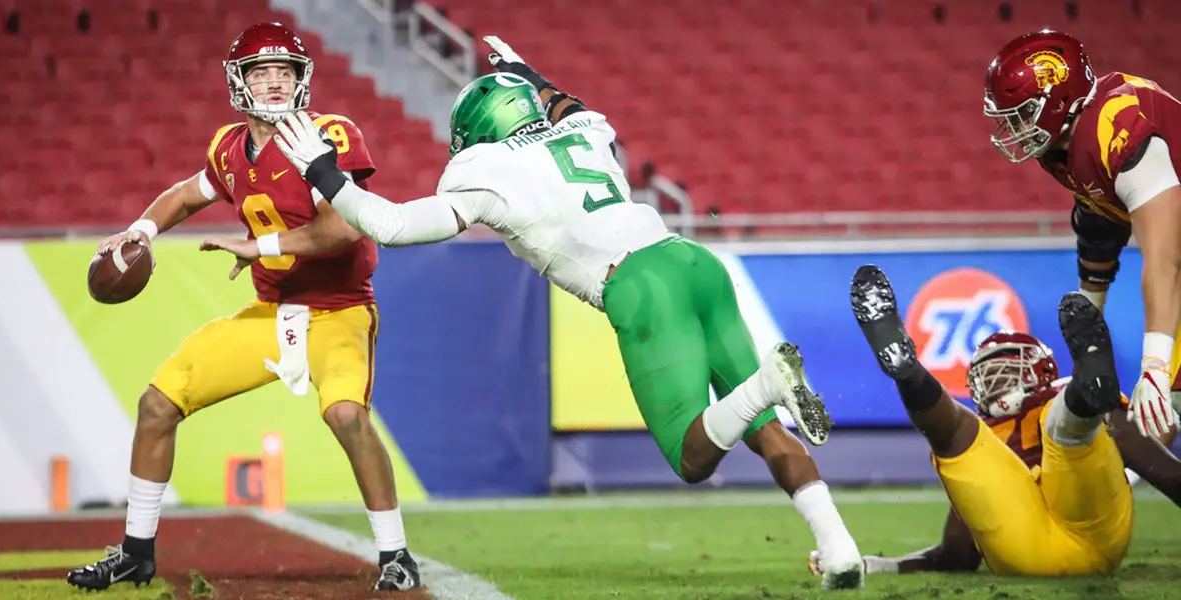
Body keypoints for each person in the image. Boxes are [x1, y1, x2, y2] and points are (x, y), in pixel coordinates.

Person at [202, 36, 866, 589]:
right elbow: (564, 103)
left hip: (638, 284)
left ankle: (767, 384)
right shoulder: (583, 130)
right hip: (692, 261)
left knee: (694, 456)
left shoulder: (484, 171)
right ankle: (839, 551)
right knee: (762, 431)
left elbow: (392, 227)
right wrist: (530, 74)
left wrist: (325, 173)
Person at [66, 22, 419, 593]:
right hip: (270, 310)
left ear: (302, 79)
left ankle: (396, 555)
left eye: (285, 71)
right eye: (262, 72)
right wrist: (140, 231)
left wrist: (262, 246)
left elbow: (344, 228)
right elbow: (186, 195)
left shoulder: (327, 134)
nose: (275, 82)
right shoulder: (229, 147)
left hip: (338, 310)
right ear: (239, 81)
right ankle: (135, 551)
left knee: (346, 415)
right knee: (157, 404)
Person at [836, 264, 1153, 576]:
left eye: (1003, 371)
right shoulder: (987, 435)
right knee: (967, 433)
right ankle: (907, 369)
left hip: (1058, 543)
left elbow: (1166, 473)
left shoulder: (1049, 402)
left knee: (1043, 422)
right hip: (1043, 547)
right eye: (986, 375)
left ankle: (1081, 398)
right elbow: (959, 551)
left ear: (1041, 370)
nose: (993, 382)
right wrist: (877, 565)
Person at [983, 28, 1181, 440]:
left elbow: (1166, 257)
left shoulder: (1118, 123)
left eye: (1022, 113)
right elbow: (1098, 223)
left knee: (1164, 405)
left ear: (1058, 100)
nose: (1014, 127)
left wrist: (1155, 368)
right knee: (1158, 419)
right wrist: (1088, 321)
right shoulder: (1064, 144)